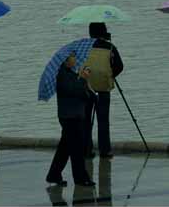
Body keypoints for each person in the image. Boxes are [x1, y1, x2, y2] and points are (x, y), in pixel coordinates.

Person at [46, 53, 96, 187]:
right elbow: (73, 91)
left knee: (65, 148)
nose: (75, 59)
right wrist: (82, 79)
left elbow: (84, 93)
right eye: (72, 57)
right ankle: (81, 178)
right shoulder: (62, 76)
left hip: (75, 116)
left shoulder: (71, 73)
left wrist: (84, 80)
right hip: (69, 117)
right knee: (77, 149)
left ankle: (54, 174)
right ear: (66, 61)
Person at [82, 22, 124, 158]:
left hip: (86, 88)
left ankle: (86, 150)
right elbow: (119, 66)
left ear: (90, 33)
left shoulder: (83, 47)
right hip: (104, 87)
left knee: (86, 120)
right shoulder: (110, 47)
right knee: (103, 120)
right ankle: (105, 151)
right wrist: (110, 75)